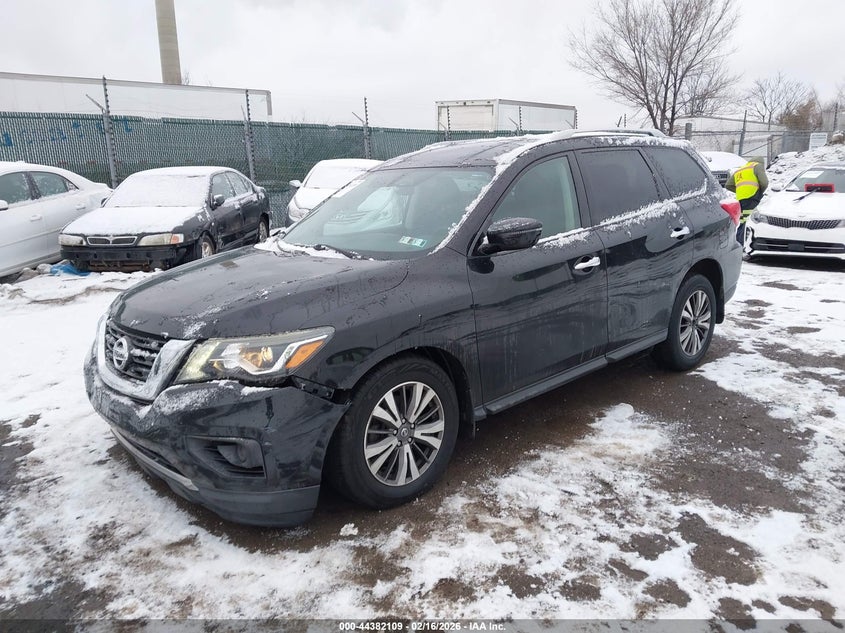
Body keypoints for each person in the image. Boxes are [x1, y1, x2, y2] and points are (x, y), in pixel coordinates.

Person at [725, 157, 768, 244]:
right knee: (748, 222)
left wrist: (740, 190)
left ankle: (739, 242)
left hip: (741, 198)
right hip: (752, 197)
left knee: (743, 220)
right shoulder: (757, 166)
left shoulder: (741, 169)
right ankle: (742, 243)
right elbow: (764, 182)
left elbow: (728, 185)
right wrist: (760, 192)